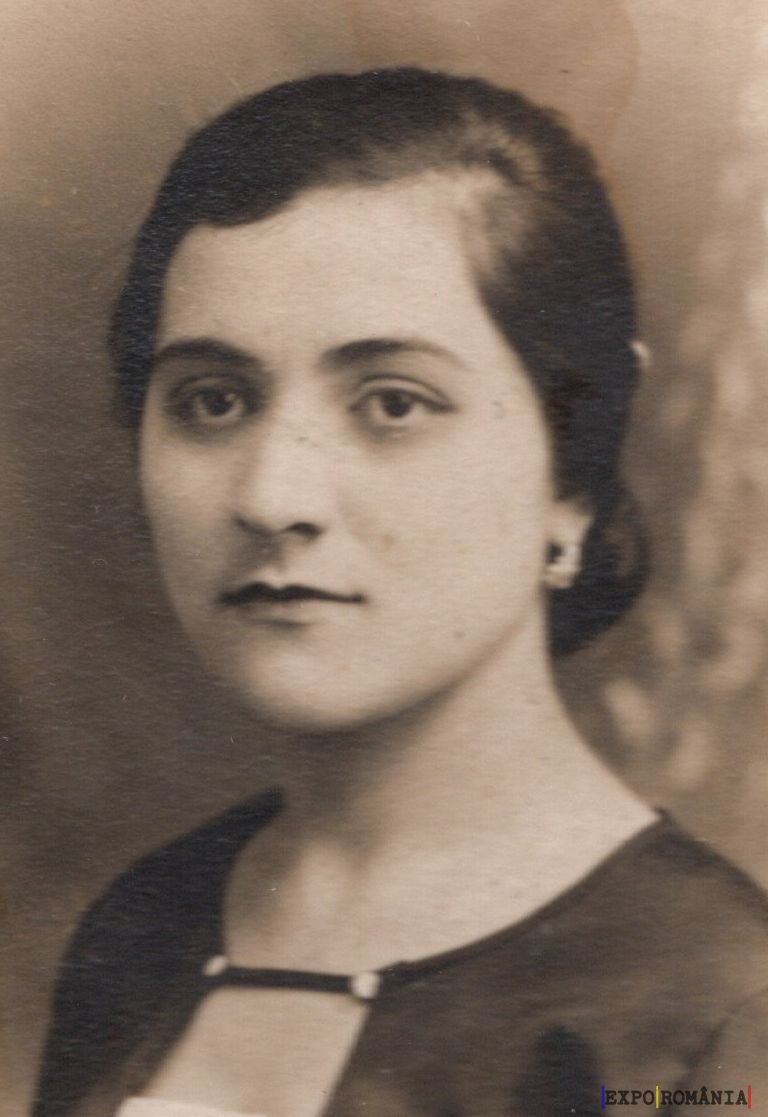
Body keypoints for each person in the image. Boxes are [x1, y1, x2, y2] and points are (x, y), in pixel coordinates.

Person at [33, 68, 768, 1117]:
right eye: (214, 400)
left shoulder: (713, 1007)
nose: (272, 495)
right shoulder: (146, 925)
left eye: (392, 403)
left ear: (574, 462)